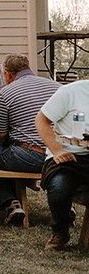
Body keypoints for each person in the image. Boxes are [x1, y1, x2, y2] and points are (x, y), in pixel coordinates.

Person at [0, 55, 61, 226]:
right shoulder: (57, 87)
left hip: (27, 154)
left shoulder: (6, 92)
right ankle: (66, 205)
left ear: (8, 74)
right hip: (57, 153)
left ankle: (9, 203)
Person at [34, 80, 89, 250]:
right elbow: (41, 121)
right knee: (59, 187)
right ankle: (60, 232)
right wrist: (57, 150)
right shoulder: (70, 92)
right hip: (66, 156)